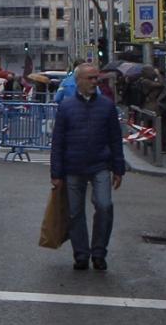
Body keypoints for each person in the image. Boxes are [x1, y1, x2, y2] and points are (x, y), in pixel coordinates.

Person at [50, 61, 127, 273]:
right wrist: (56, 173)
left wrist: (118, 169)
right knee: (75, 213)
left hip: (100, 165)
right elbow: (58, 142)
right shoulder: (66, 107)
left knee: (104, 206)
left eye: (97, 78)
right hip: (73, 167)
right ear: (79, 81)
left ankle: (99, 252)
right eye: (90, 78)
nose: (95, 82)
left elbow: (115, 139)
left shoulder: (106, 106)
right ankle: (81, 255)